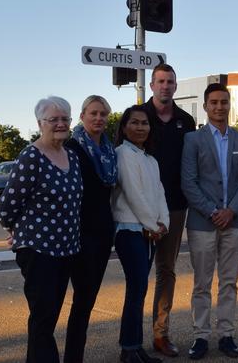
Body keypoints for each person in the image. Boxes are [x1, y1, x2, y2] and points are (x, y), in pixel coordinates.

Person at [0, 96, 83, 362]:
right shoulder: (31, 156)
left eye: (65, 119)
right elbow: (8, 205)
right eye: (53, 119)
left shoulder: (70, 154)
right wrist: (14, 229)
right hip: (38, 250)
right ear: (40, 123)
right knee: (43, 317)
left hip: (66, 249)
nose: (60, 124)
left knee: (49, 315)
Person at [181, 83, 238, 360]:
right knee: (201, 283)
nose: (219, 107)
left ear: (229, 104)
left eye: (224, 102)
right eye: (214, 102)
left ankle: (226, 334)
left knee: (229, 282)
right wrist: (213, 211)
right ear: (206, 106)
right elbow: (189, 182)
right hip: (202, 223)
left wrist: (231, 211)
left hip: (234, 223)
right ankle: (200, 336)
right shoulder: (192, 140)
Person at [143, 63, 196, 357]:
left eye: (170, 81)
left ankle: (161, 334)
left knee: (166, 271)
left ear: (175, 87)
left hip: (174, 208)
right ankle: (129, 339)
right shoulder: (136, 116)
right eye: (160, 81)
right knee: (138, 273)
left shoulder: (185, 121)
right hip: (138, 210)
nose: (165, 86)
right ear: (152, 85)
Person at [111, 105, 169, 363]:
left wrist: (163, 222)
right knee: (136, 288)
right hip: (130, 230)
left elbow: (158, 193)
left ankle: (136, 347)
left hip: (148, 231)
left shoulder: (150, 159)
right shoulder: (122, 154)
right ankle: (128, 347)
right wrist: (151, 224)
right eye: (134, 123)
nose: (140, 127)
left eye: (144, 123)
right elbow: (133, 193)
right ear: (124, 127)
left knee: (140, 290)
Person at [63, 95, 118, 363]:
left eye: (103, 114)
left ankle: (76, 355)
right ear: (82, 116)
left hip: (102, 231)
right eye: (93, 113)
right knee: (81, 299)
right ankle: (73, 357)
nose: (98, 118)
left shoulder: (109, 150)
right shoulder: (72, 147)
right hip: (78, 233)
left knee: (88, 300)